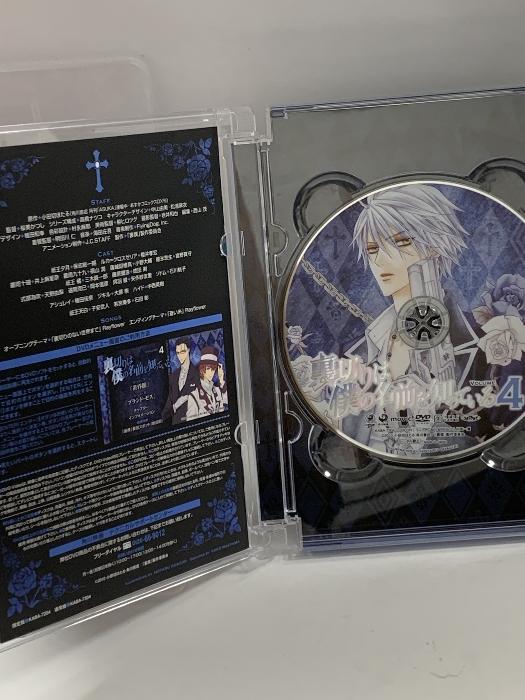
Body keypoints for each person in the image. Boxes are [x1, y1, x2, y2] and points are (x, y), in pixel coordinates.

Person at [162, 337, 200, 425]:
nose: (180, 356)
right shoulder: (173, 377)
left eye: (182, 352)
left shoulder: (198, 374)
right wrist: (177, 404)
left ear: (189, 350)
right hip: (177, 427)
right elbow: (165, 414)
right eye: (178, 353)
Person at [186, 346, 228, 421]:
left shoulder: (218, 390)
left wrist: (221, 379)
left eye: (213, 369)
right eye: (208, 368)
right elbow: (190, 424)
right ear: (202, 369)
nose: (211, 372)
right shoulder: (194, 396)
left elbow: (228, 401)